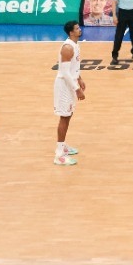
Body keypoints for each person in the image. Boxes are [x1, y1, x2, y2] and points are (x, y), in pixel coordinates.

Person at [54, 21, 86, 166]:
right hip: (65, 86)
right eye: (77, 28)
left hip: (71, 83)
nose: (80, 30)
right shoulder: (67, 48)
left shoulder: (75, 45)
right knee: (64, 117)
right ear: (71, 32)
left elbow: (73, 67)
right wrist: (76, 88)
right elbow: (65, 73)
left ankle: (63, 145)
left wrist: (79, 78)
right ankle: (59, 154)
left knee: (69, 114)